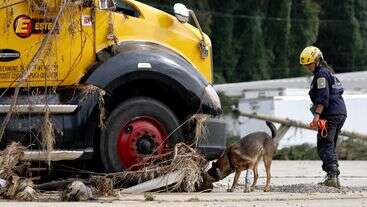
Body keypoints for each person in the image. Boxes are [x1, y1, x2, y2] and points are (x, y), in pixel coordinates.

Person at [299, 46, 347, 188]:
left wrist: (317, 115)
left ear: (317, 60)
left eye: (309, 63)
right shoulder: (328, 73)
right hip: (339, 113)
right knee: (329, 144)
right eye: (305, 64)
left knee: (324, 144)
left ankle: (332, 177)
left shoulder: (321, 75)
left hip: (329, 115)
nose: (307, 67)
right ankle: (333, 177)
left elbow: (323, 97)